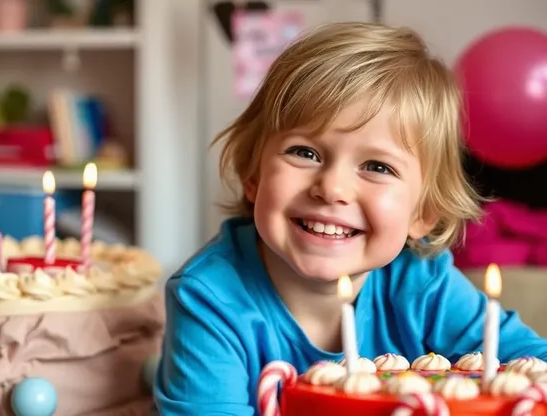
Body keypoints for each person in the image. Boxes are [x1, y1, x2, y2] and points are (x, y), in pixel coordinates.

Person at [154, 21, 547, 415]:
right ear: (254, 175)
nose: (332, 188)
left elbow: (532, 362)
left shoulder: (421, 282)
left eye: (377, 166)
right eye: (304, 153)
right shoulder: (209, 297)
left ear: (424, 213)